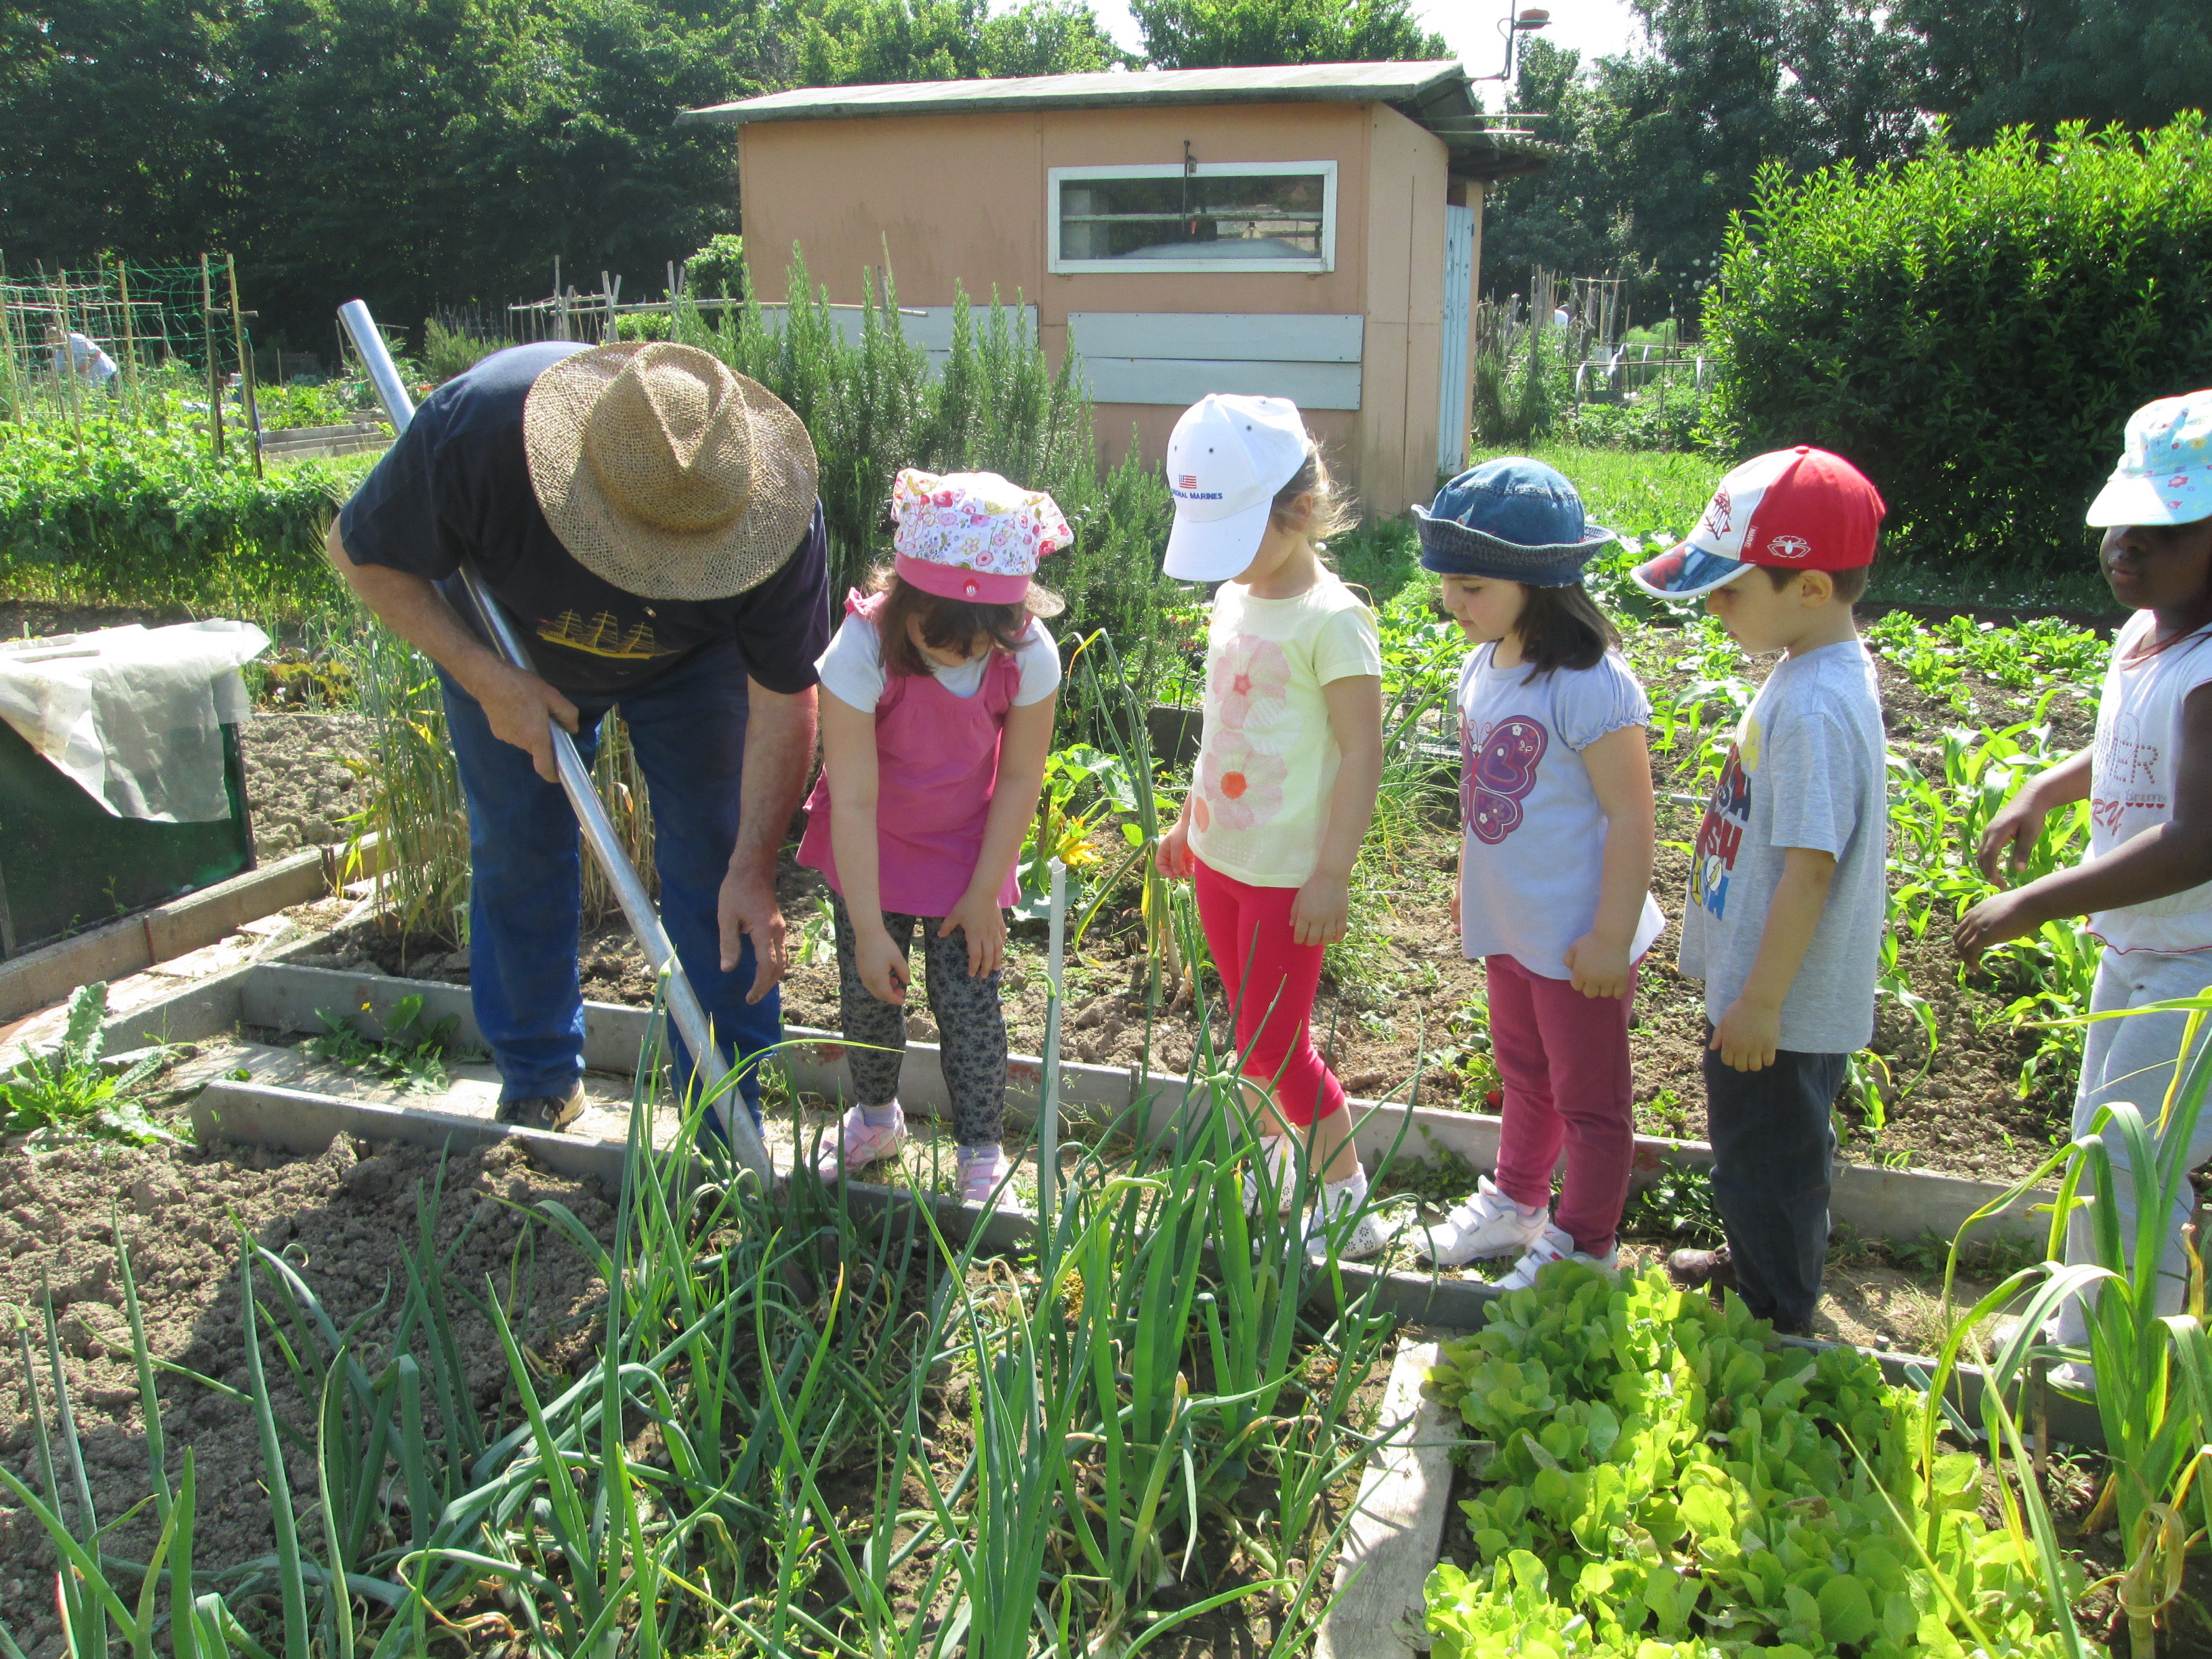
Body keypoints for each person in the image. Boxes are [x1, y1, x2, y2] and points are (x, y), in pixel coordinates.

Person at [329, 340, 829, 1134]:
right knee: (518, 848)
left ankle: (725, 1115)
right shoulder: (480, 432)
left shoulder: (774, 513)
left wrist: (754, 866)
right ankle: (539, 1080)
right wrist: (487, 679)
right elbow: (360, 555)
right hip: (512, 651)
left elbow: (784, 698)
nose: (659, 574)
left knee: (719, 857)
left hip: (694, 663)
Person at [1957, 388, 2212, 1356]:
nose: (2126, 547)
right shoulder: (2147, 634)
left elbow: (2197, 838)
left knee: (2140, 1166)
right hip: (2141, 949)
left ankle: (2125, 1367)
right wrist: (2043, 790)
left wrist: (2036, 902)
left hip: (2197, 968)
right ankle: (2079, 1335)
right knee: (2100, 1143)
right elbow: (2126, 748)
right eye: (2121, 524)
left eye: (2163, 530)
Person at [1629, 446, 1889, 1335]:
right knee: (1763, 1148)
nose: (1714, 606)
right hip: (1768, 995)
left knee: (1769, 1159)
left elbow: (1812, 868)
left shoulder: (1814, 707)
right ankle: (1758, 1265)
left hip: (1782, 1007)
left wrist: (1763, 1002)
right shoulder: (1809, 667)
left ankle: (1776, 1321)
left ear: (1810, 589)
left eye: (1730, 590)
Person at [1410, 459, 1664, 1290]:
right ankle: (1519, 1201)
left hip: (1579, 937)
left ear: (1540, 582)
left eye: (1471, 585)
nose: (1451, 600)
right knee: (1524, 1072)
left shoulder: (1590, 685)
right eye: (1447, 581)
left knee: (1590, 1101)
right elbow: (1485, 799)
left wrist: (1611, 936)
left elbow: (1632, 816)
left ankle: (1586, 1246)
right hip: (1513, 924)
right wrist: (1469, 882)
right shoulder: (1484, 666)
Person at [1153, 394, 1391, 1263]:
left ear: (1300, 511)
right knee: (1247, 1029)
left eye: (1237, 536)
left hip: (1289, 874)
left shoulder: (1334, 620)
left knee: (1280, 1043)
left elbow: (1361, 754)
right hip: (1221, 857)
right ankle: (1275, 1162)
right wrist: (1189, 820)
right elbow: (1222, 730)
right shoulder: (1233, 598)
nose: (1226, 560)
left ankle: (1347, 1196)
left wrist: (1332, 873)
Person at [802, 468, 1068, 1203]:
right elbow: (854, 798)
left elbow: (1019, 777)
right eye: (940, 640)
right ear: (904, 603)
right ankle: (876, 1120)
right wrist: (866, 927)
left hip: (967, 853)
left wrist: (985, 892)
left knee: (970, 1000)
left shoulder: (1028, 654)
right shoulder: (860, 648)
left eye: (979, 644)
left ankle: (980, 1151)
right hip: (871, 847)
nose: (961, 655)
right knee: (870, 991)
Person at [48, 327, 117, 390]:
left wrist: (79, 370)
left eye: (51, 339)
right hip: (93, 384)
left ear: (60, 335)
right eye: (48, 341)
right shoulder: (58, 353)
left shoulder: (76, 339)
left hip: (107, 373)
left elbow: (96, 354)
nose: (50, 343)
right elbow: (59, 372)